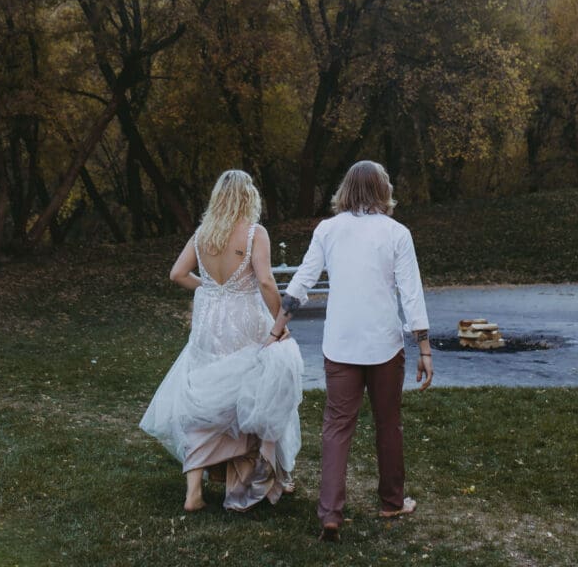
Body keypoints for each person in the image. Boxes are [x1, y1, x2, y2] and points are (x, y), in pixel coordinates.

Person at [266, 160, 432, 542]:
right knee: (388, 423)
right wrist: (424, 348)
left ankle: (330, 513)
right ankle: (392, 501)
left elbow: (302, 281)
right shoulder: (397, 233)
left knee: (336, 427)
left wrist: (276, 328)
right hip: (385, 345)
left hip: (340, 344)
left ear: (346, 189)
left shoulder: (328, 229)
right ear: (383, 190)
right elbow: (411, 294)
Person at [140, 169, 303, 512]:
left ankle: (194, 491)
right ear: (248, 197)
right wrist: (280, 321)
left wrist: (211, 289)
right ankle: (251, 477)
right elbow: (266, 282)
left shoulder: (203, 234)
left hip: (209, 325)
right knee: (248, 393)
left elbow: (177, 274)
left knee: (204, 397)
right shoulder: (255, 233)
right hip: (244, 321)